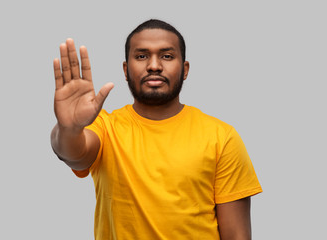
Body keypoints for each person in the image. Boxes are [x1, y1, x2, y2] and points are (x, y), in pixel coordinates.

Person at [51, 19, 262, 240]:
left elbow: (237, 235)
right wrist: (69, 128)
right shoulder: (105, 126)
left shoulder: (222, 137)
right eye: (141, 56)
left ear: (185, 69)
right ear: (125, 69)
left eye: (167, 56)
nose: (154, 65)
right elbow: (73, 154)